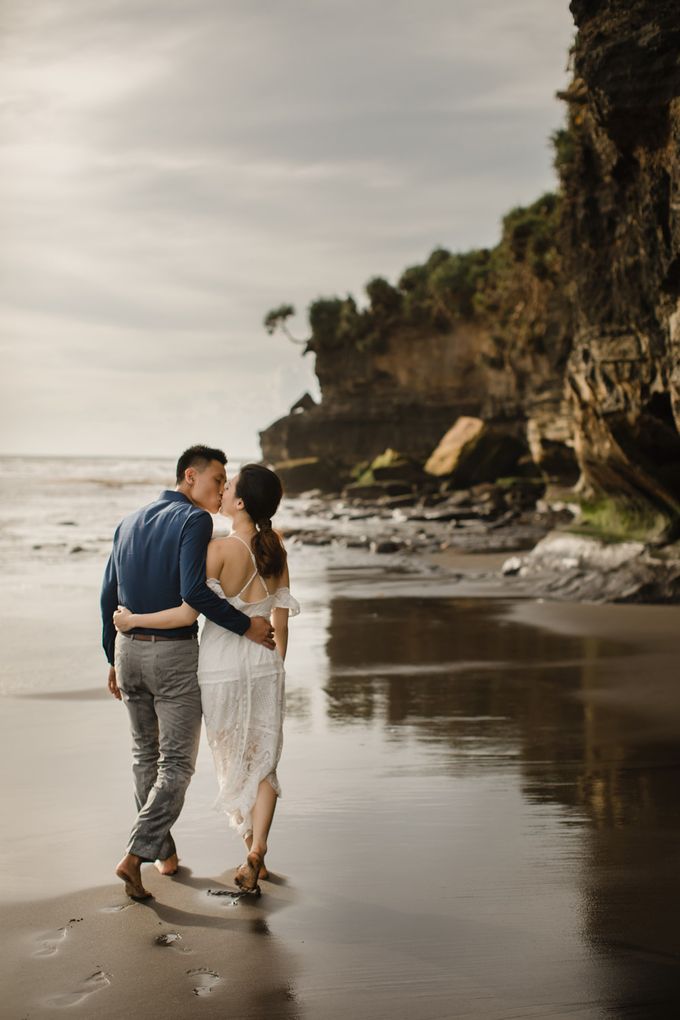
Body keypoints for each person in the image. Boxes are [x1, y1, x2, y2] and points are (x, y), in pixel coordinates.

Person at [113, 462, 298, 894]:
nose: (223, 490)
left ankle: (248, 844)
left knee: (232, 755)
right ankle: (257, 852)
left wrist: (132, 620)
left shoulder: (218, 550)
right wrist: (277, 666)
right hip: (264, 662)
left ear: (238, 502)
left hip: (220, 668)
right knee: (264, 759)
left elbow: (187, 611)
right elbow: (281, 621)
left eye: (229, 486)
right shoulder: (277, 550)